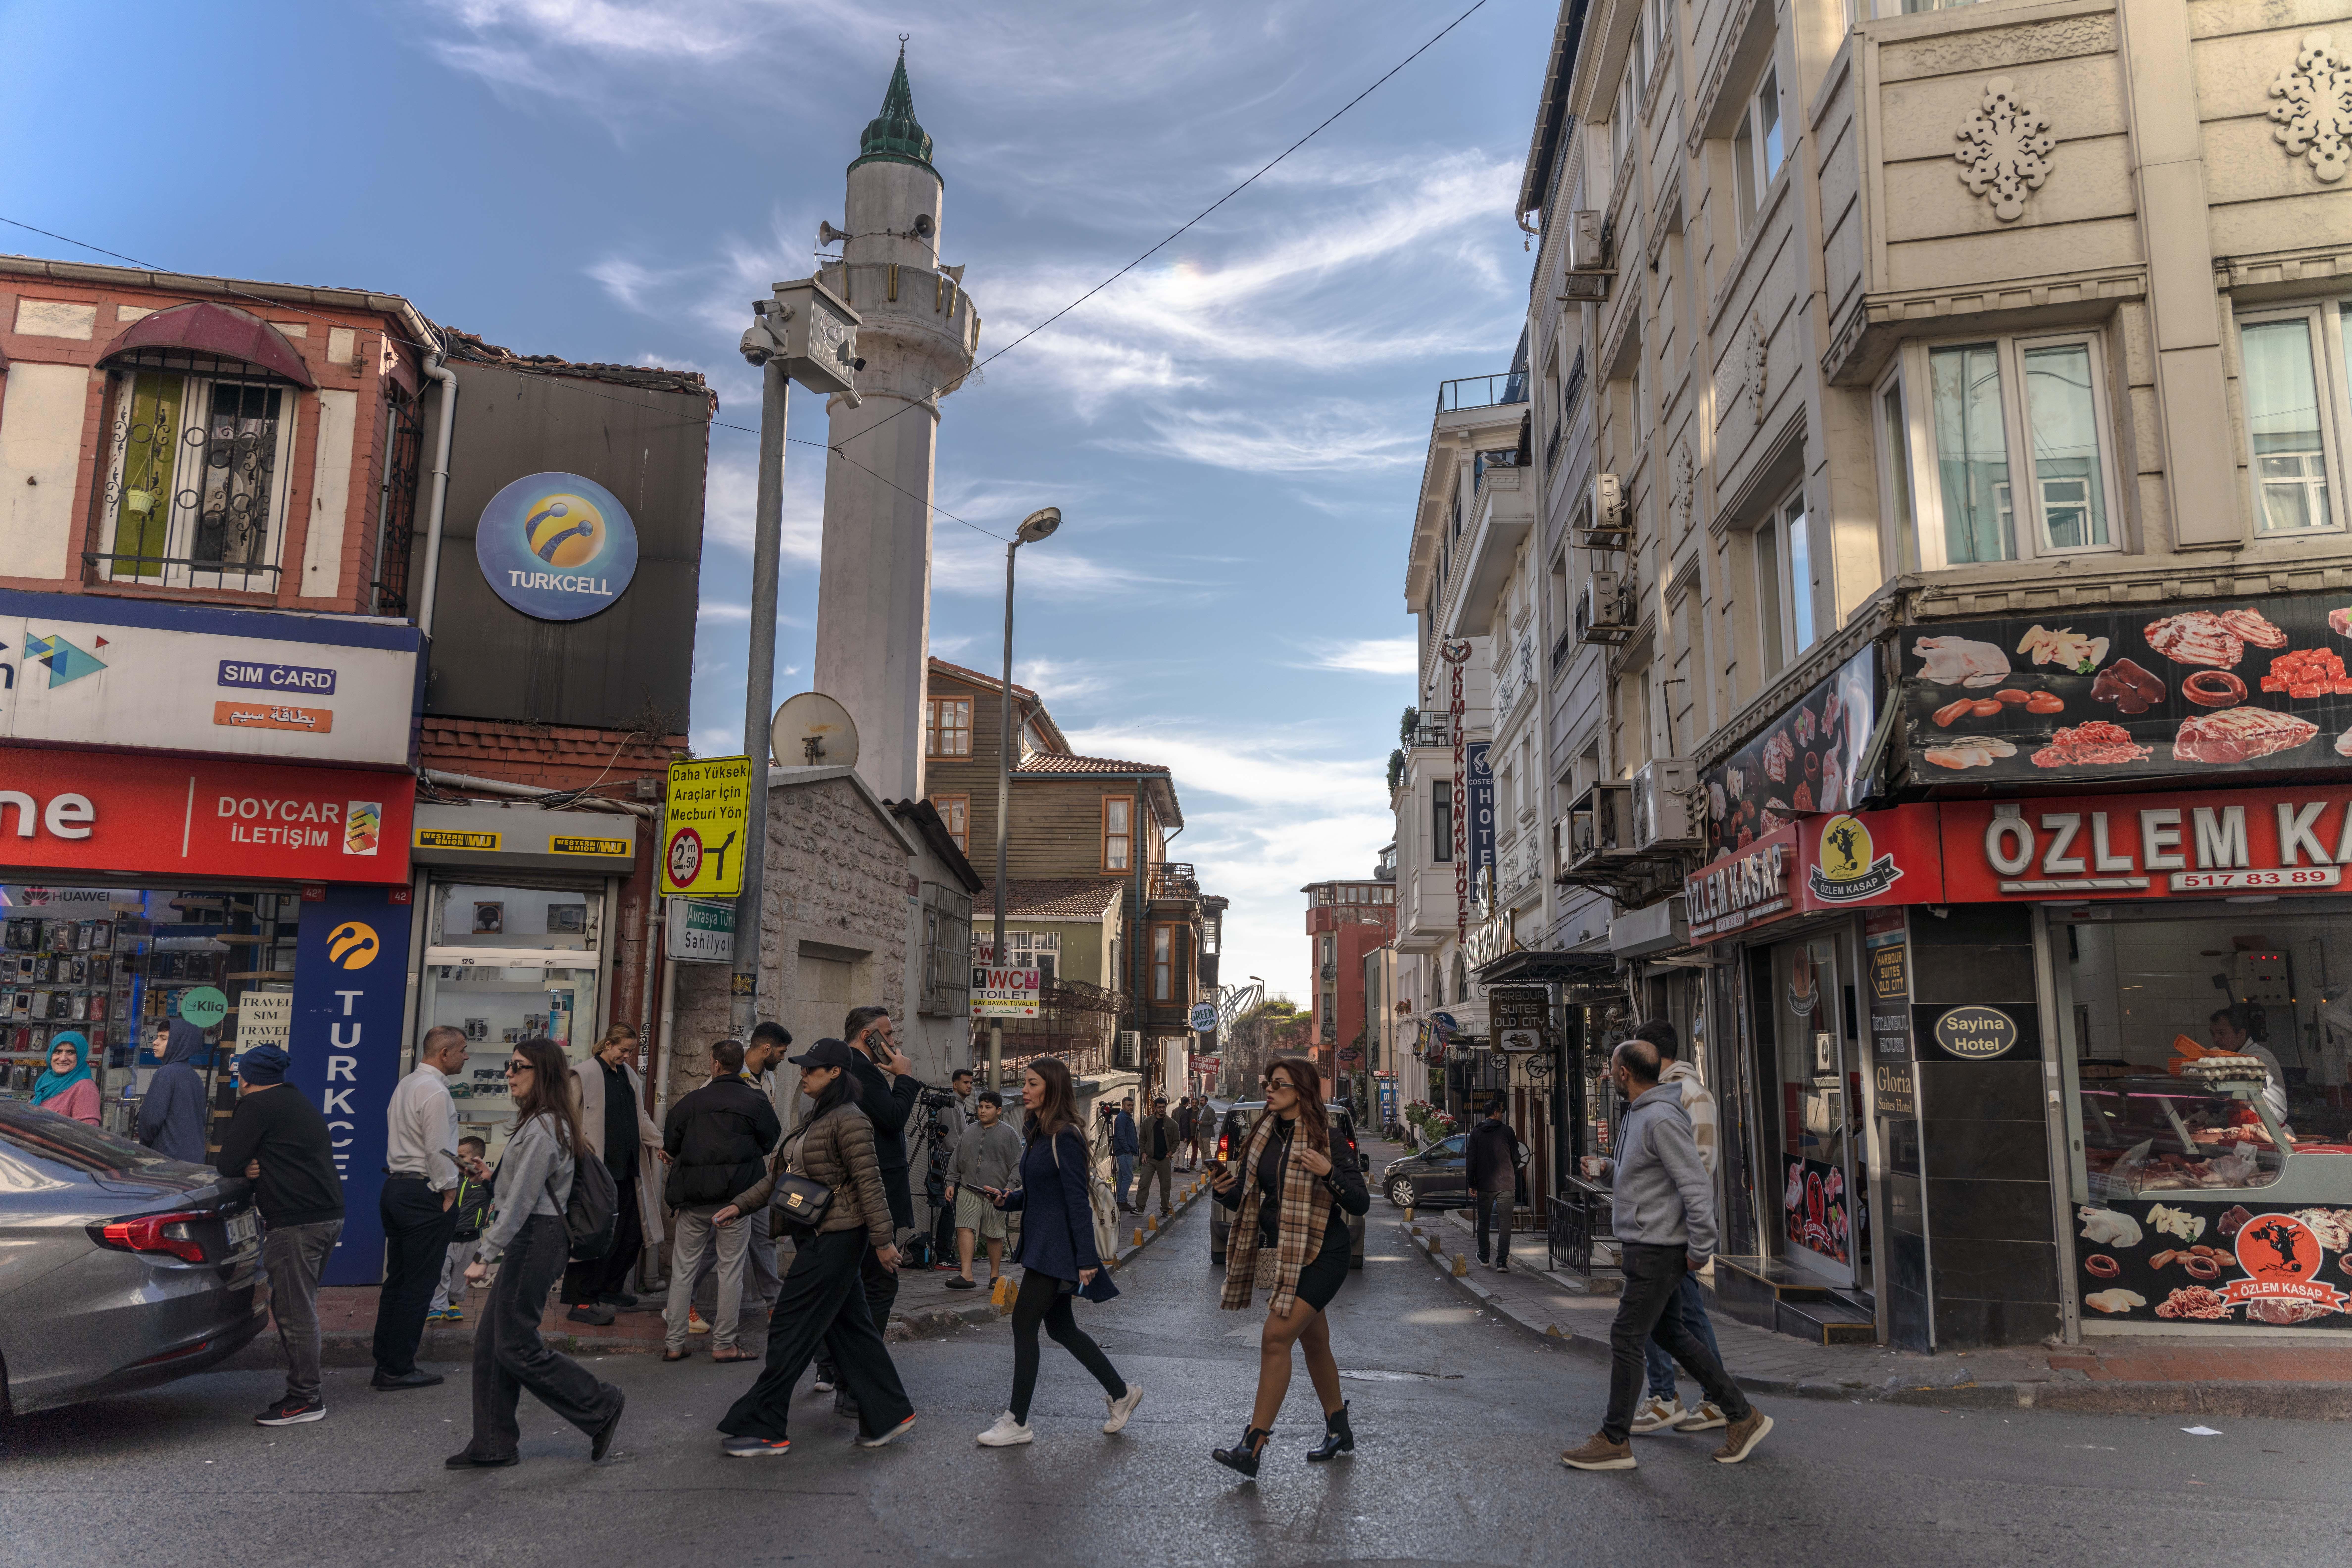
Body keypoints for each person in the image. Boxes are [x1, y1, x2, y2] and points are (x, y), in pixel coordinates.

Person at [1563, 1037, 1771, 1471]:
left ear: (1624, 1073)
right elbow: (1644, 1177)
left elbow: (1694, 1184)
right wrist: (1608, 1170)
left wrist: (1701, 1247)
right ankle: (1741, 1414)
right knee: (1671, 1334)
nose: (1609, 1074)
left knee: (1626, 1336)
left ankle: (1614, 1440)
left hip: (1658, 1248)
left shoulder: (1659, 1117)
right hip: (1647, 1243)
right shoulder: (1639, 1114)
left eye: (1612, 1067)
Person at [710, 1038, 917, 1456]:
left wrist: (883, 1242)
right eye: (803, 1068)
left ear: (836, 1073)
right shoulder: (816, 1116)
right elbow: (781, 1177)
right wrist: (740, 1205)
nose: (803, 1074)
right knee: (852, 1331)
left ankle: (765, 1427)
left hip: (837, 1239)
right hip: (818, 1235)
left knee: (789, 1328)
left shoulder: (851, 1120)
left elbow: (870, 1184)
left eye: (811, 1069)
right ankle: (889, 1414)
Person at [447, 1037, 626, 1469]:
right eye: (509, 1066)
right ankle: (493, 1443)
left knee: (515, 1345)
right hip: (534, 1235)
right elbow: (526, 1188)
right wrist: (492, 1178)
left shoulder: (544, 1127)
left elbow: (523, 1203)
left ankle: (599, 1403)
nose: (509, 1074)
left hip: (536, 1238)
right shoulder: (541, 1123)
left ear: (542, 1073)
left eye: (518, 1067)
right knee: (492, 1344)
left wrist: (484, 1255)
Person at [1208, 1055, 1369, 1477]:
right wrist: (1224, 1191)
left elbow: (1359, 1202)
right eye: (1268, 1083)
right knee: (1315, 1344)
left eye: (1278, 1084)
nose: (1269, 1089)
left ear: (1301, 1091)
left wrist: (1329, 1172)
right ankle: (1339, 1430)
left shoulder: (1327, 1139)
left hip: (1325, 1252)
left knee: (1275, 1337)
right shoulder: (1263, 1136)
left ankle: (1252, 1445)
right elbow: (1250, 1199)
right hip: (1288, 1253)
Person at [975, 1057, 1139, 1448]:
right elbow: (1040, 1192)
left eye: (1032, 1083)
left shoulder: (1066, 1136)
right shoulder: (1040, 1132)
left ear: (1052, 1087)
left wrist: (1086, 1260)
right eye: (1025, 1083)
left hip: (1058, 1249)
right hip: (1044, 1244)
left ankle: (1017, 1421)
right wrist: (1009, 1200)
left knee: (1023, 1324)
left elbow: (1076, 1200)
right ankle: (1121, 1394)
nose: (1025, 1090)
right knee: (1061, 1328)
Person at [214, 1042, 344, 1426]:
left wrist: (248, 1167)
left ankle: (306, 1398)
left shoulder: (256, 1106)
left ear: (247, 1077)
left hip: (295, 1222)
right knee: (301, 1305)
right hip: (327, 1216)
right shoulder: (297, 1101)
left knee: (294, 1312)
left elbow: (228, 1162)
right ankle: (306, 1393)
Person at [1615, 1018, 1729, 1435]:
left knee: (1673, 1322)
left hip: (1670, 1235)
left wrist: (1696, 1242)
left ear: (1649, 1054)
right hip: (1658, 1232)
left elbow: (1696, 1171)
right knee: (1672, 1322)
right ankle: (1698, 1399)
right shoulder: (1655, 1097)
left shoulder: (1686, 1096)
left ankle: (1682, 1399)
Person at [660, 1037, 781, 1363]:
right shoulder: (756, 1101)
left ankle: (674, 1345)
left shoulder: (691, 1102)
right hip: (736, 1201)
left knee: (683, 1271)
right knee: (731, 1271)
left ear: (715, 1064)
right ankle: (724, 1344)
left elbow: (671, 1144)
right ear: (740, 1064)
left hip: (694, 1198)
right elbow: (770, 1140)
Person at [830, 1004, 919, 1412]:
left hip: (851, 1196)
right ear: (869, 1037)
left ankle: (836, 1371)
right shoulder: (862, 1072)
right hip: (872, 1194)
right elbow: (894, 1118)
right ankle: (855, 1382)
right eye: (888, 1033)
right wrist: (905, 1077)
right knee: (879, 1285)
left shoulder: (840, 1068)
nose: (894, 1041)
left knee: (853, 1286)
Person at [375, 1025, 468, 1391]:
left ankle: (386, 1362)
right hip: (423, 1193)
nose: (466, 1057)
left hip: (397, 1188)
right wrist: (450, 1192)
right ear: (444, 1054)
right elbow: (438, 1148)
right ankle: (399, 1368)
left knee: (398, 1280)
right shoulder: (436, 1092)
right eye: (462, 1050)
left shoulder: (408, 1084)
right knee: (419, 1284)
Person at [562, 1024, 668, 1326]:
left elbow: (640, 1117)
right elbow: (566, 1118)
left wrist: (661, 1145)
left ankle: (610, 1288)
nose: (627, 1056)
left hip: (627, 1169)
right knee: (592, 1235)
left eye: (631, 1052)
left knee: (631, 1234)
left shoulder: (629, 1076)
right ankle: (581, 1301)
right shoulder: (583, 1074)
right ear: (608, 1045)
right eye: (624, 1050)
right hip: (597, 1171)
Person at [943, 1090, 1019, 1290]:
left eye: (988, 1108)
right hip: (968, 1188)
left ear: (999, 1111)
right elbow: (956, 1159)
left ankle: (995, 1277)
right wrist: (951, 1182)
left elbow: (1018, 1164)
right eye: (981, 1107)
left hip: (996, 1193)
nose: (983, 1111)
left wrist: (1010, 1188)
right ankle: (966, 1275)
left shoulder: (1009, 1133)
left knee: (994, 1233)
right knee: (964, 1227)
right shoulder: (969, 1131)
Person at [430, 1138, 494, 1323]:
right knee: (441, 1272)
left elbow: (499, 1193)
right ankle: (437, 1306)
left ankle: (452, 1304)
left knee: (461, 1274)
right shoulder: (450, 1178)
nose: (457, 1160)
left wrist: (487, 1181)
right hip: (447, 1237)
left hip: (471, 1238)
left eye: (462, 1157)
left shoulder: (485, 1182)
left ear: (476, 1159)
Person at [136, 1019, 209, 1163]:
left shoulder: (167, 1073)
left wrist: (144, 1147)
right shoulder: (194, 1076)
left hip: (168, 1159)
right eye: (157, 1037)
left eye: (163, 1038)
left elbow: (151, 1119)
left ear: (179, 1043)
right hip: (194, 1158)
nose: (155, 1043)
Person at [1466, 1098, 1525, 1272]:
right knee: (1505, 1224)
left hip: (1484, 1184)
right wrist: (1511, 1171)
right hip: (1506, 1184)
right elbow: (1516, 1157)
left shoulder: (1476, 1132)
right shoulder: (1507, 1131)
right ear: (1496, 1113)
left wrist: (1472, 1183)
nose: (1503, 1114)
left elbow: (1471, 1159)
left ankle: (1485, 1257)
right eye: (1502, 1111)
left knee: (1484, 1222)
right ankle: (1502, 1262)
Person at [2210, 1004, 2290, 1126]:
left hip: (2268, 1129)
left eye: (2222, 1033)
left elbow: (2254, 1082)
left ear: (2242, 1034)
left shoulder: (2258, 1056)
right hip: (2242, 1127)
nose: (2216, 1039)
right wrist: (2209, 1115)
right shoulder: (2230, 1057)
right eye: (2213, 1034)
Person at [33, 1031, 101, 1125]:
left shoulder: (85, 1088)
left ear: (80, 1056)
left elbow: (87, 1131)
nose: (63, 1058)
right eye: (58, 1052)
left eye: (71, 1052)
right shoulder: (46, 1082)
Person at [1136, 1095, 1179, 1218]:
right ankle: (1139, 1208)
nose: (1162, 1110)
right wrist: (1143, 1154)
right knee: (1144, 1183)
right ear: (1155, 1108)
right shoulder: (1148, 1122)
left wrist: (1170, 1154)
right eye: (1159, 1107)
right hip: (1150, 1159)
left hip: (1164, 1159)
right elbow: (1142, 1139)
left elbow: (1177, 1140)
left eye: (1164, 1107)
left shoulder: (1172, 1124)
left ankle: (1165, 1209)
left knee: (1166, 1185)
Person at [1109, 1095, 1139, 1213]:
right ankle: (1122, 1201)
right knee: (1128, 1177)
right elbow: (1121, 1136)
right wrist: (1128, 1150)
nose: (1131, 1107)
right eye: (1129, 1105)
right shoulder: (1122, 1118)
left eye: (1132, 1105)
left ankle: (1121, 1202)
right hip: (1124, 1153)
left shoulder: (1127, 1117)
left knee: (1122, 1177)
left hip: (1125, 1152)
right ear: (1123, 1106)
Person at [1175, 1096, 1199, 1172]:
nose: (1194, 1104)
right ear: (1188, 1103)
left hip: (1193, 1134)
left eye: (1196, 1103)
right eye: (1192, 1103)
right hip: (1185, 1135)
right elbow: (1185, 1125)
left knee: (1178, 1151)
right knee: (1182, 1151)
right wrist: (1186, 1136)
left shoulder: (1175, 1111)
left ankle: (1177, 1166)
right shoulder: (1186, 1112)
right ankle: (1181, 1167)